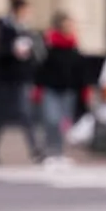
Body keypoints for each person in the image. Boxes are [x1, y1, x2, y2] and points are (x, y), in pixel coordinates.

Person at [0, 0, 45, 165]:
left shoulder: (26, 29)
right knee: (0, 116)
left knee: (25, 114)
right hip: (5, 78)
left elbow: (35, 53)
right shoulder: (3, 28)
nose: (28, 13)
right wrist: (12, 51)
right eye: (26, 10)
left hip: (22, 78)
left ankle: (35, 150)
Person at [37, 11, 82, 159]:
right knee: (52, 119)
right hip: (52, 87)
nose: (70, 27)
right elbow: (41, 65)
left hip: (68, 88)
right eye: (67, 24)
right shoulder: (49, 43)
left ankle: (59, 151)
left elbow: (77, 67)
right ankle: (50, 148)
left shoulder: (73, 43)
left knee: (64, 122)